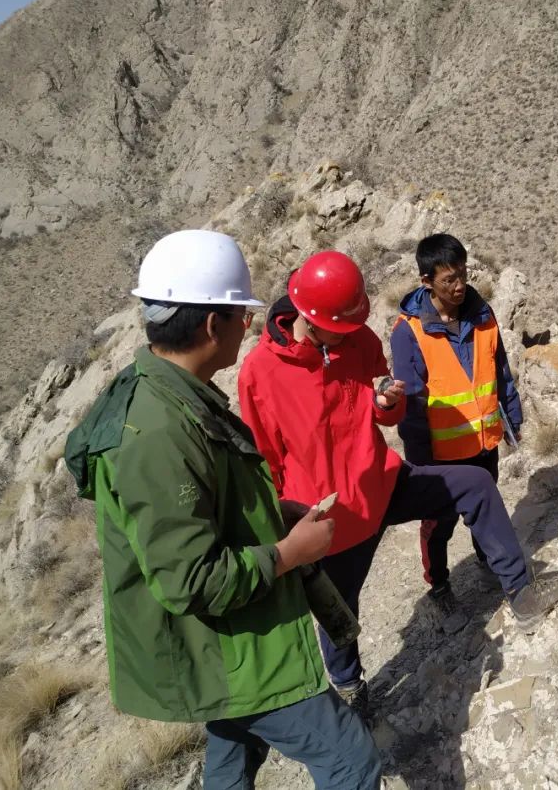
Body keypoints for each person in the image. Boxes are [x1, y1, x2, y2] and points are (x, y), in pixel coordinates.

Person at [64, 230, 381, 790]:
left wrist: (272, 510)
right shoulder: (157, 433)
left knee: (234, 752)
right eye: (241, 315)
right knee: (351, 761)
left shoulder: (174, 395)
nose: (249, 325)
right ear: (213, 324)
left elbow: (206, 507)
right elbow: (190, 580)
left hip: (222, 640)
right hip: (225, 645)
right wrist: (288, 554)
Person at [238, 250, 558, 715]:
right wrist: (287, 525)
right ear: (309, 318)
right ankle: (350, 691)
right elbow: (265, 459)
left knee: (476, 485)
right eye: (341, 327)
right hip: (329, 516)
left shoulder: (357, 339)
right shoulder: (260, 372)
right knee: (340, 614)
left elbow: (384, 411)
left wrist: (387, 403)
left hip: (382, 483)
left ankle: (522, 594)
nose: (351, 333)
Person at [390, 234, 524, 633]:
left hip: (483, 441)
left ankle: (490, 564)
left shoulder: (482, 314)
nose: (460, 285)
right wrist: (421, 461)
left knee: (487, 507)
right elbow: (412, 400)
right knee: (439, 524)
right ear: (426, 281)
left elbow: (500, 371)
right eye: (449, 279)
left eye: (463, 274)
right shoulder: (408, 332)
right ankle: (439, 586)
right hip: (441, 455)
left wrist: (513, 418)